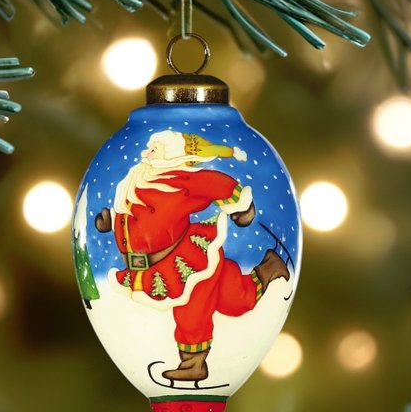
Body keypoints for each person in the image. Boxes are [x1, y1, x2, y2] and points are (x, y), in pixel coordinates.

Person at [96, 130, 289, 381]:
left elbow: (215, 183)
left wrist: (241, 208)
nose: (147, 152)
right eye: (150, 148)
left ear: (171, 155)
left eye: (155, 149)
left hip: (185, 260)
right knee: (233, 298)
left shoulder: (181, 180)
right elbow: (135, 217)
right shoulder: (136, 181)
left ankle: (193, 364)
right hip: (148, 268)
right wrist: (110, 222)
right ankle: (270, 267)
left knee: (192, 309)